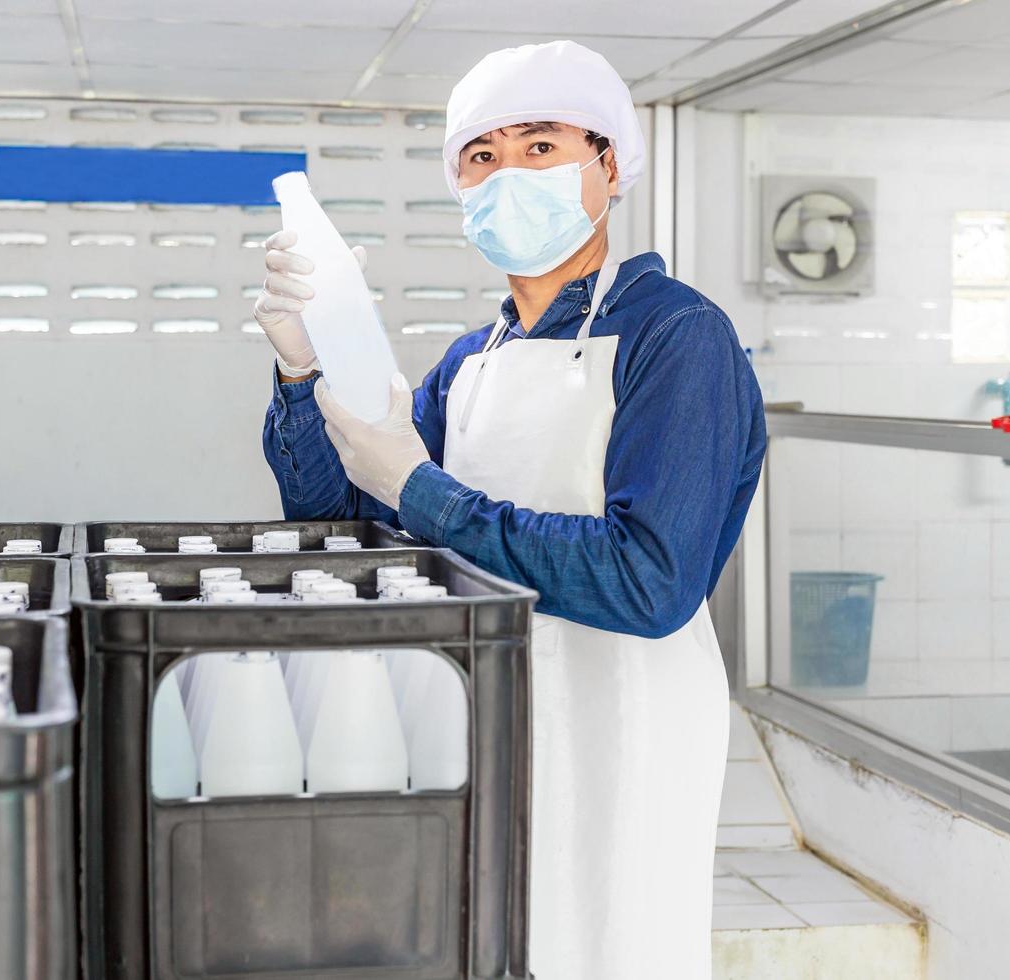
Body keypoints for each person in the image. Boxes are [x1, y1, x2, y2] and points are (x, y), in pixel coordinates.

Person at [254, 39, 766, 979]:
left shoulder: (677, 336)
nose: (507, 175)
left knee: (609, 942)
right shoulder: (470, 360)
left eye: (540, 147)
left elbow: (648, 581)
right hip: (485, 699)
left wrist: (425, 492)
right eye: (481, 157)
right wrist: (302, 364)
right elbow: (338, 521)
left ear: (608, 167)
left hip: (623, 713)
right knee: (494, 938)